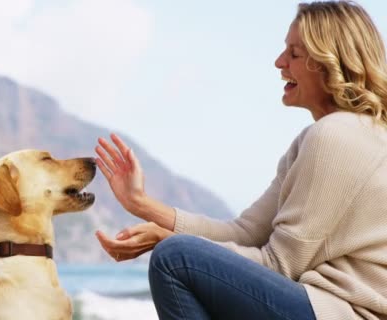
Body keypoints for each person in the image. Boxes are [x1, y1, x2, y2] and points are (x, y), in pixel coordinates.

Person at [94, 1, 387, 319]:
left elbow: (279, 265)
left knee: (174, 258)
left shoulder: (336, 136)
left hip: (343, 312)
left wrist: (168, 241)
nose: (279, 62)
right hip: (322, 308)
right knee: (178, 253)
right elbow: (246, 232)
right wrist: (140, 203)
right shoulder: (350, 132)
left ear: (330, 62)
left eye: (294, 54)